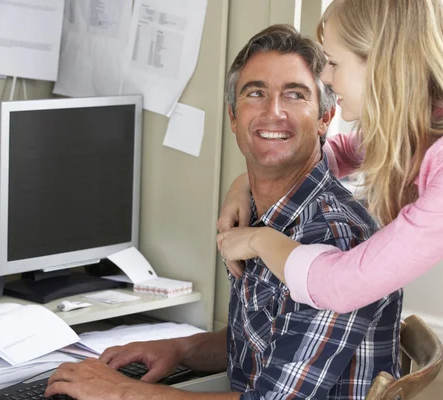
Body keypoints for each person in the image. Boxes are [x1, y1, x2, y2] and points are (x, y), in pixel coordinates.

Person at [44, 24, 402, 400]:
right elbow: (262, 342)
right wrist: (181, 349)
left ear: (325, 119)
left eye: (294, 95)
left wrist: (120, 392)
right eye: (256, 93)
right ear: (233, 117)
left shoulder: (334, 237)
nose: (272, 112)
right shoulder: (253, 215)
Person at [216, 0, 443, 398]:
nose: (326, 78)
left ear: (381, 63)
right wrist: (244, 181)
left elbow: (344, 284)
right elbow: (339, 151)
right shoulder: (423, 124)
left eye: (333, 62)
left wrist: (260, 239)